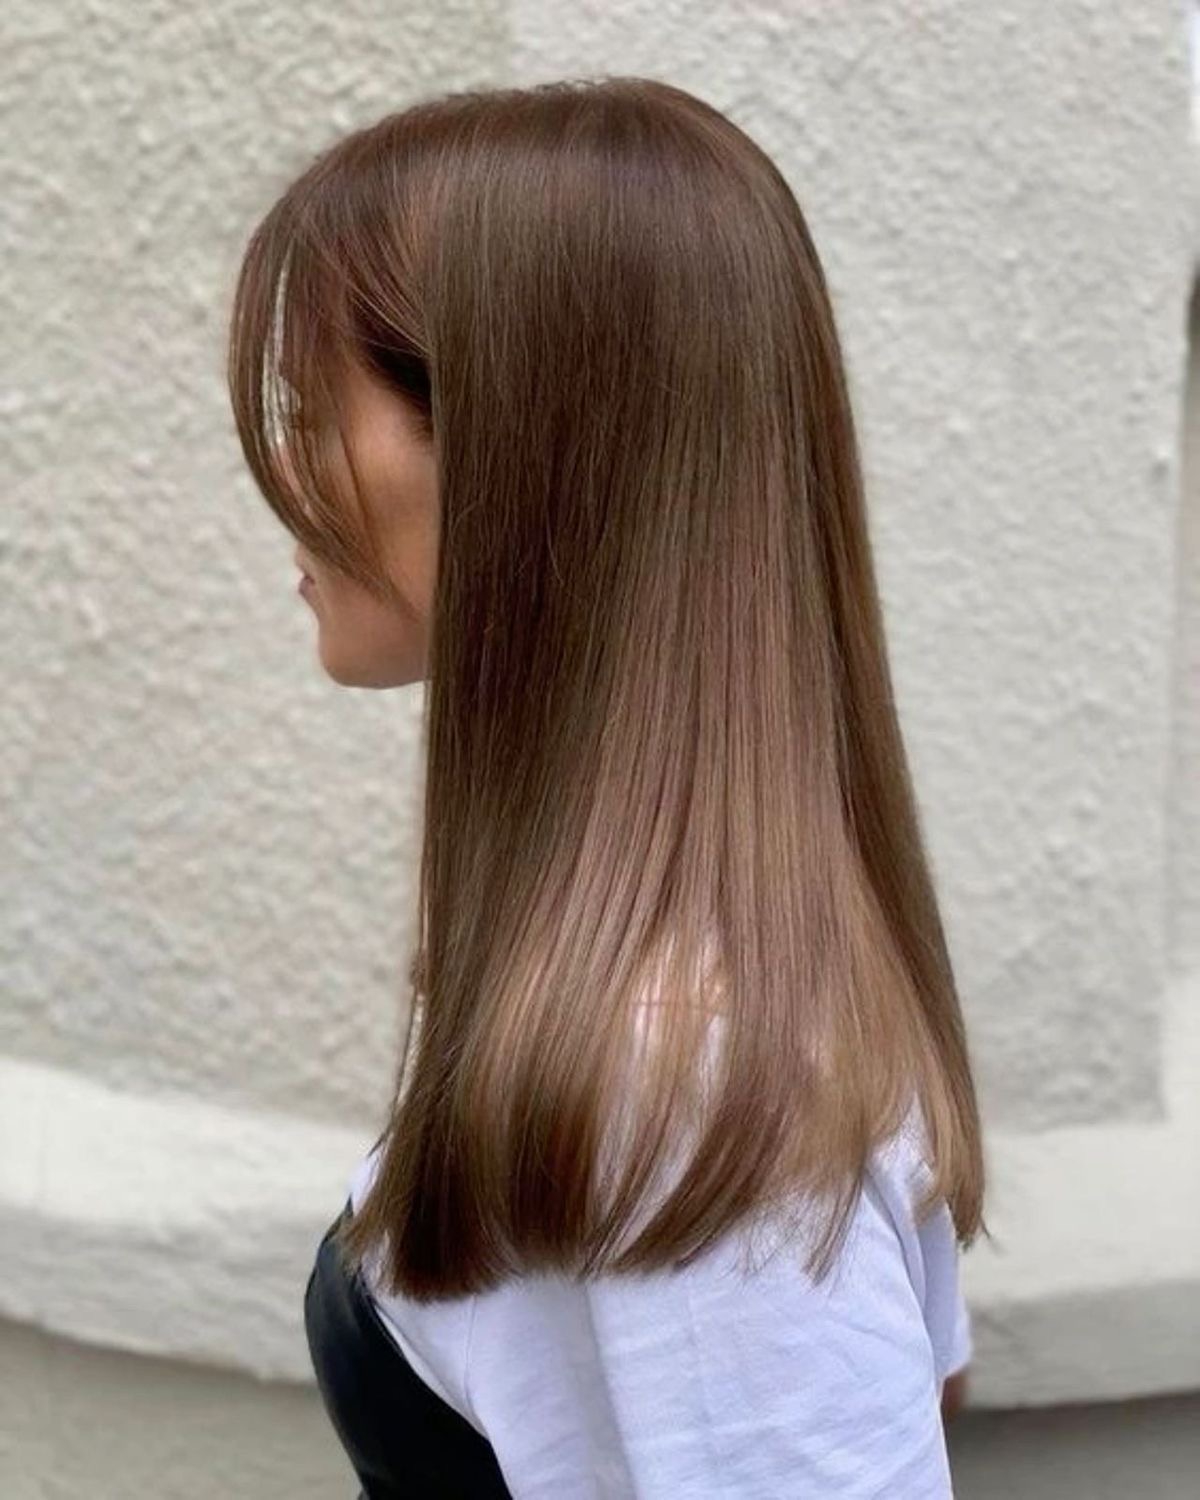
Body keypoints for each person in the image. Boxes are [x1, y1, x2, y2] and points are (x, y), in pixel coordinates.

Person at [227, 75, 984, 1498]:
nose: (275, 464)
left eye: (307, 406)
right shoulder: (698, 975)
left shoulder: (679, 1081)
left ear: (524, 450)